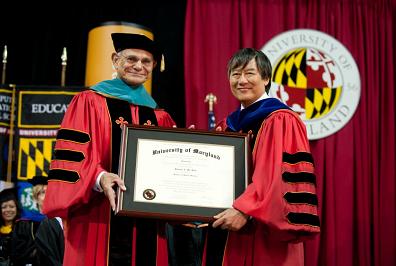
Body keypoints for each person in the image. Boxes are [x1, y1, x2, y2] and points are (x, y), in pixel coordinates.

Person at [42, 33, 176, 266]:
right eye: (131, 59)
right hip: (96, 213)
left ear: (154, 66)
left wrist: (185, 147)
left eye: (146, 61)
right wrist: (99, 177)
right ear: (115, 60)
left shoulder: (159, 116)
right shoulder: (88, 102)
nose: (138, 66)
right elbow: (71, 156)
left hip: (147, 222)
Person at [209, 48, 320, 265]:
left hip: (266, 232)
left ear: (266, 78)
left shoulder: (281, 119)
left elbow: (276, 174)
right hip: (226, 225)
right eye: (235, 74)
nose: (242, 80)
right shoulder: (228, 124)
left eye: (249, 73)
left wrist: (245, 210)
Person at [10, 175, 64, 266]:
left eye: (49, 192)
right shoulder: (24, 223)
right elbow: (18, 254)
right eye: (42, 192)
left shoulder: (59, 220)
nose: (47, 195)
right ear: (35, 197)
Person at [0, 188, 19, 264]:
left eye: (11, 206)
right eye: (4, 207)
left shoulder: (23, 230)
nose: (8, 210)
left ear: (17, 208)